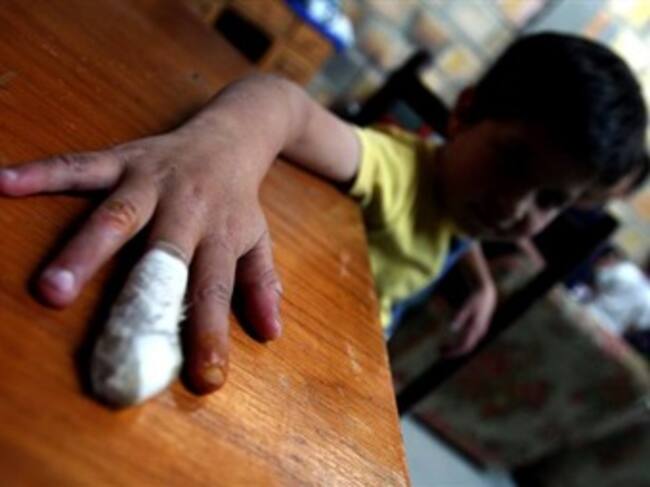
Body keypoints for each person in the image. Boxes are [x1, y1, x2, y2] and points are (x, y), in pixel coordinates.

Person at [0, 33, 647, 394]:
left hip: (340, 368)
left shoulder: (464, 208)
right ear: (465, 112)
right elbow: (282, 102)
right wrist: (218, 151)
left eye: (552, 200)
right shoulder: (392, 169)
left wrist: (478, 282)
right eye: (512, 162)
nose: (516, 208)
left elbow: (457, 231)